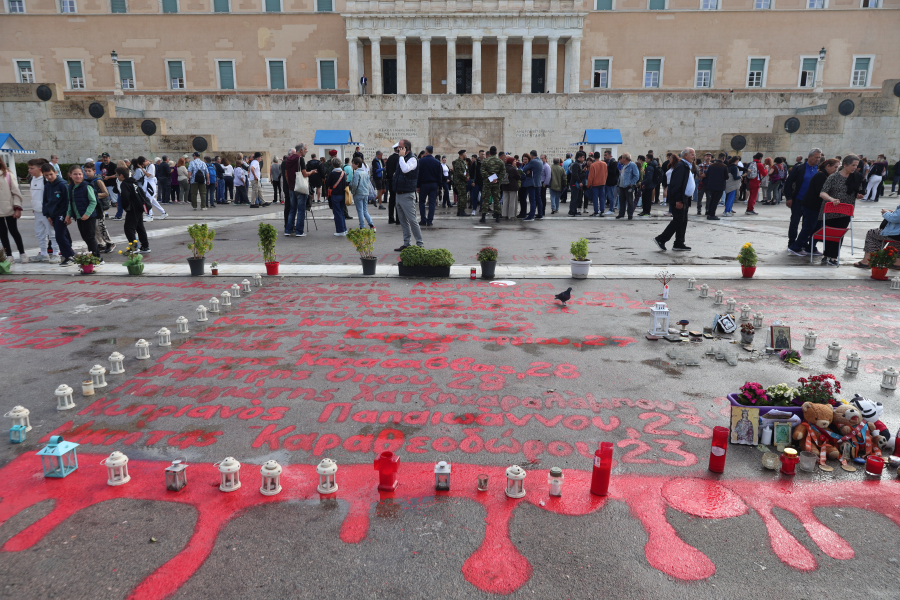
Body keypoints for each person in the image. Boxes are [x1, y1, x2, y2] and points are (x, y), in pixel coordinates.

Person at [816, 155, 862, 266]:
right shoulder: (833, 177)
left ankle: (833, 257)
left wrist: (859, 195)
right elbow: (822, 193)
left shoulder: (856, 177)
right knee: (829, 234)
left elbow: (858, 190)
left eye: (856, 165)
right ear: (845, 164)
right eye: (853, 165)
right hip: (830, 210)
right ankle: (826, 255)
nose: (855, 167)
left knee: (839, 234)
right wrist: (831, 199)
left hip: (845, 210)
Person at [787, 159, 839, 257]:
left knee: (817, 228)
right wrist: (831, 197)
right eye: (835, 167)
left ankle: (810, 247)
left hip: (817, 207)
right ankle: (795, 247)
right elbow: (821, 191)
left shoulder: (826, 176)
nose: (836, 169)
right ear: (828, 166)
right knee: (808, 227)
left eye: (837, 167)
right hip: (811, 206)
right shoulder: (821, 175)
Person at [654, 147, 696, 252]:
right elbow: (676, 185)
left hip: (685, 198)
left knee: (683, 220)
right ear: (686, 155)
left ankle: (679, 243)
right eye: (692, 154)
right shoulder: (681, 166)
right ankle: (661, 239)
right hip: (679, 199)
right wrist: (678, 200)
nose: (694, 156)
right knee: (678, 220)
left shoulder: (686, 166)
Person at [783, 148, 822, 248]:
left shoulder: (819, 169)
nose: (818, 159)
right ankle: (791, 241)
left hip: (811, 202)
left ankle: (803, 242)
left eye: (819, 157)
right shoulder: (799, 168)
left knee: (807, 224)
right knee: (795, 221)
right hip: (798, 200)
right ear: (809, 157)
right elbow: (788, 182)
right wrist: (788, 197)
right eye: (816, 157)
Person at [65, 165, 102, 262]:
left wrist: (87, 214)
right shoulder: (71, 187)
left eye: (80, 174)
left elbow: (93, 201)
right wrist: (68, 215)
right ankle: (94, 256)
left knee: (90, 237)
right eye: (75, 174)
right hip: (79, 216)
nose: (78, 176)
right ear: (70, 175)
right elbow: (70, 202)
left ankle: (97, 258)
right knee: (85, 237)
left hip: (88, 216)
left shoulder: (86, 186)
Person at [392, 139, 424, 250]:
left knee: (412, 220)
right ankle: (407, 243)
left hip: (407, 194)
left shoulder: (412, 159)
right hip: (399, 193)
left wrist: (400, 157)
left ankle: (420, 244)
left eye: (400, 147)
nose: (397, 149)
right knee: (402, 220)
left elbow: (405, 170)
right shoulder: (402, 158)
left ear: (406, 148)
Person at [26, 158, 59, 262]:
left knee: (52, 233)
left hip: (47, 212)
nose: (29, 170)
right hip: (37, 212)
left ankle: (55, 253)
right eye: (29, 168)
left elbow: (49, 197)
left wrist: (49, 211)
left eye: (32, 168)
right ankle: (44, 253)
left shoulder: (46, 180)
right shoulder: (32, 179)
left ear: (40, 169)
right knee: (39, 233)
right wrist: (35, 206)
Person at [41, 162, 74, 266]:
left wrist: (68, 215)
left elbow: (68, 200)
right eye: (46, 175)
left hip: (62, 213)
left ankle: (68, 256)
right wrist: (47, 215)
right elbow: (45, 201)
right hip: (53, 214)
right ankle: (70, 252)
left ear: (55, 172)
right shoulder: (47, 186)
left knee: (59, 235)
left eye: (51, 174)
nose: (49, 177)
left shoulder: (62, 184)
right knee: (63, 234)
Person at [115, 166, 150, 254]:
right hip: (139, 206)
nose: (117, 177)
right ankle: (145, 246)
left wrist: (126, 207)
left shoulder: (124, 184)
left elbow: (125, 197)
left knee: (129, 228)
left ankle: (133, 247)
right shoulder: (133, 182)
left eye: (117, 175)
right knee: (139, 227)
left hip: (133, 208)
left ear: (121, 175)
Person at [83, 163, 114, 253]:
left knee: (101, 225)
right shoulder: (86, 181)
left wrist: (93, 196)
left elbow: (106, 193)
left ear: (94, 171)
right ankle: (101, 243)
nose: (87, 173)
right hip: (92, 207)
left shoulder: (98, 180)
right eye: (85, 171)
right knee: (95, 226)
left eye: (89, 171)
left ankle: (110, 242)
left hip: (100, 206)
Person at [0, 157, 26, 263]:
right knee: (2, 233)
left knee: (14, 231)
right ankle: (9, 255)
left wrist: (17, 208)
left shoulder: (7, 174)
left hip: (9, 208)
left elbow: (16, 192)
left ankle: (22, 253)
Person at [415, 146, 441, 227]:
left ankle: (423, 220)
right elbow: (439, 176)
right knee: (432, 203)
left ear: (426, 152)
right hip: (434, 184)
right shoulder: (437, 162)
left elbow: (419, 175)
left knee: (422, 202)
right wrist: (439, 187)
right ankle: (430, 221)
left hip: (424, 184)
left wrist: (418, 186)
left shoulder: (421, 161)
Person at [324, 157, 349, 237]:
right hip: (343, 194)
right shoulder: (343, 173)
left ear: (333, 165)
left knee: (337, 213)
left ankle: (340, 231)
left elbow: (327, 184)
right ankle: (344, 229)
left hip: (335, 195)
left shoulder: (332, 174)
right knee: (341, 212)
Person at [480, 146, 505, 224]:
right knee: (497, 199)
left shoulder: (485, 161)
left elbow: (482, 171)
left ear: (489, 153)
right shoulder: (500, 161)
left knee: (486, 199)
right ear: (496, 152)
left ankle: (483, 217)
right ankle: (497, 217)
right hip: (496, 183)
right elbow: (503, 172)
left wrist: (489, 178)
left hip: (487, 183)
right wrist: (498, 180)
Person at [350, 157, 375, 231]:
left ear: (357, 164)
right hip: (365, 193)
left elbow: (355, 185)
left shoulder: (357, 173)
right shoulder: (365, 172)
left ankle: (362, 227)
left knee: (360, 211)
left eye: (353, 163)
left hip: (358, 193)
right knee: (365, 210)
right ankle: (372, 225)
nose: (352, 165)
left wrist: (353, 192)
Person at [520, 150, 543, 221]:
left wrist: (528, 169)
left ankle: (531, 215)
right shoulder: (540, 161)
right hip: (538, 183)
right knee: (538, 199)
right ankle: (540, 214)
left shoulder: (532, 162)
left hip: (531, 183)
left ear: (531, 156)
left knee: (532, 200)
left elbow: (524, 168)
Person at [703, 153, 727, 220]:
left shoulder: (711, 165)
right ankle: (712, 214)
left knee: (712, 199)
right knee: (715, 201)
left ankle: (709, 213)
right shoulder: (724, 166)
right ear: (723, 159)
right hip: (719, 186)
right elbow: (726, 177)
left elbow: (707, 174)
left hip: (711, 185)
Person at [616, 153, 640, 220]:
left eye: (622, 158)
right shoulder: (623, 165)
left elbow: (636, 175)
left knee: (629, 201)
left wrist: (631, 183)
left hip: (628, 186)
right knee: (621, 200)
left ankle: (630, 214)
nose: (621, 159)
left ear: (625, 159)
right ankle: (621, 214)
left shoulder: (632, 165)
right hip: (621, 185)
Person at [586, 151, 608, 217]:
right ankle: (602, 211)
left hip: (595, 184)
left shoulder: (593, 165)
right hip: (602, 183)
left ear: (593, 157)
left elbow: (591, 176)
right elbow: (606, 173)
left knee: (595, 198)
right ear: (599, 156)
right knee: (602, 198)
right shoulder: (604, 164)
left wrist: (588, 184)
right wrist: (604, 180)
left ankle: (596, 211)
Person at [567, 151, 586, 217]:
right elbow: (575, 174)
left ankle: (574, 210)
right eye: (583, 157)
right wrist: (579, 181)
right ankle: (571, 211)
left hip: (576, 183)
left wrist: (583, 171)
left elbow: (578, 174)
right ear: (579, 157)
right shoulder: (576, 164)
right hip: (575, 183)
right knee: (574, 198)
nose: (583, 159)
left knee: (577, 197)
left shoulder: (578, 164)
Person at [452, 150, 469, 216]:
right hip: (459, 183)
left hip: (463, 182)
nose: (466, 155)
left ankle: (460, 211)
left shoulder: (463, 162)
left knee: (462, 197)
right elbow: (459, 172)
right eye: (465, 153)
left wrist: (468, 176)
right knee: (462, 197)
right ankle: (461, 211)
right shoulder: (457, 162)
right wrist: (465, 178)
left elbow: (466, 170)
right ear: (462, 154)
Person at [386, 145, 400, 224]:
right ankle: (398, 219)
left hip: (390, 181)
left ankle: (390, 218)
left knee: (391, 199)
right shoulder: (399, 158)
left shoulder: (390, 158)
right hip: (397, 181)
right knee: (398, 200)